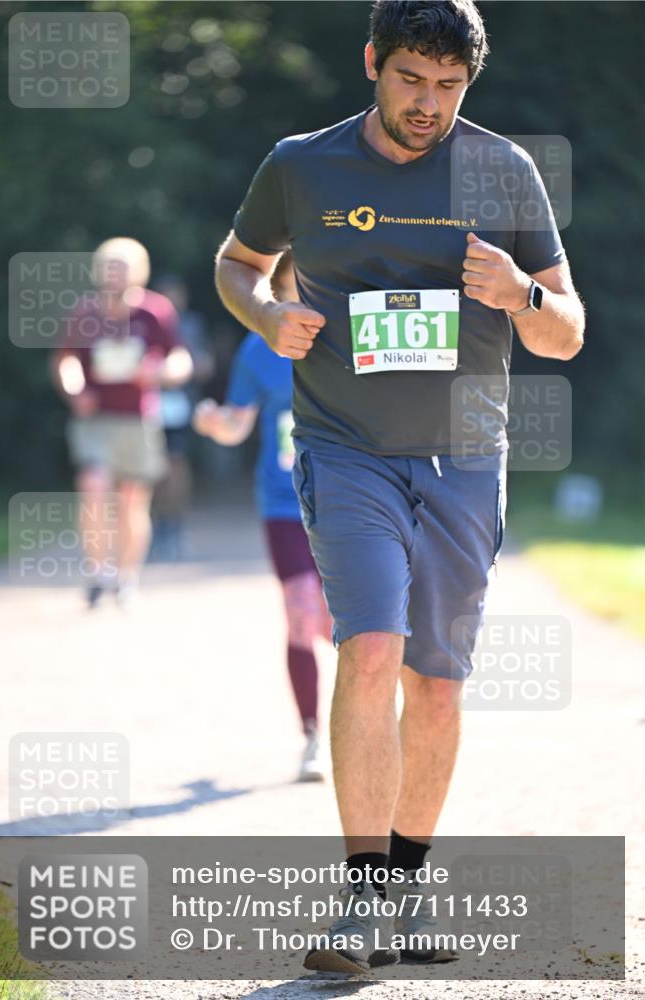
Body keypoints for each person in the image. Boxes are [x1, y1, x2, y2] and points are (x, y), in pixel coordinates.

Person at [214, 0, 585, 974]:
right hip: (346, 448)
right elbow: (237, 263)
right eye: (411, 80)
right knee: (370, 644)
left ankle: (406, 897)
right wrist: (262, 312)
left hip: (466, 456)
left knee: (436, 680)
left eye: (449, 87)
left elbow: (566, 329)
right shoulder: (302, 162)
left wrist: (523, 295)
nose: (428, 105)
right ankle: (360, 901)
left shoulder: (503, 170)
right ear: (374, 61)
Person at [193, 254, 332, 782]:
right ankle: (313, 735)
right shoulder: (260, 347)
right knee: (300, 611)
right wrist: (215, 423)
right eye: (294, 282)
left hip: (354, 501)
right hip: (284, 502)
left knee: (344, 625)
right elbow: (236, 424)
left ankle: (367, 725)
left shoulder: (350, 335)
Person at [51, 238, 193, 608]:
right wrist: (75, 389)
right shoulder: (85, 313)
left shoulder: (156, 312)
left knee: (131, 502)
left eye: (123, 266)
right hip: (96, 419)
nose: (115, 273)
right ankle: (99, 572)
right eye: (109, 266)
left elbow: (181, 360)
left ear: (137, 271)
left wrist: (160, 372)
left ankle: (126, 576)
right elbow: (66, 360)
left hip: (139, 420)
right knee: (93, 487)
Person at [150, 276, 216, 561]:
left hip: (180, 404)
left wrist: (187, 369)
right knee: (150, 470)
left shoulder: (192, 325)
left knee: (176, 465)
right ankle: (154, 527)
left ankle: (174, 524)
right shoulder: (143, 321)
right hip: (147, 405)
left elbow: (205, 364)